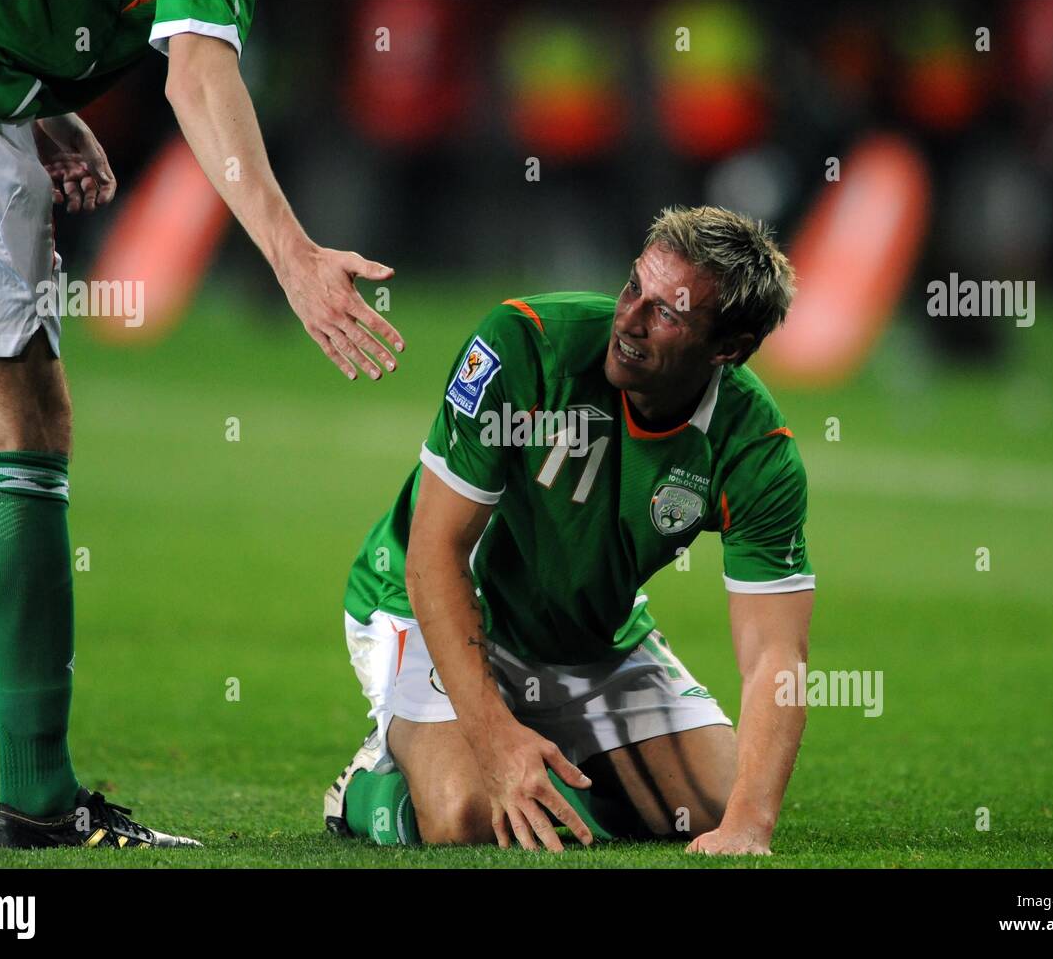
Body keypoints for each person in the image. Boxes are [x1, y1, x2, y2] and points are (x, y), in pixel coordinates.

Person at [0, 0, 403, 849]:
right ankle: (38, 805)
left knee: (31, 415)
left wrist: (44, 108)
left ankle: (40, 798)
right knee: (13, 413)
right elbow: (197, 77)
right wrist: (293, 256)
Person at [326, 206, 814, 855]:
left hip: (587, 633)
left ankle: (555, 780)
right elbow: (434, 554)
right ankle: (368, 788)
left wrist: (749, 826)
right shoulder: (526, 343)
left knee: (716, 804)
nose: (631, 321)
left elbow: (775, 657)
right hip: (426, 603)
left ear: (727, 349)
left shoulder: (755, 449)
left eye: (668, 312)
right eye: (633, 286)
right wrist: (496, 743)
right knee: (465, 815)